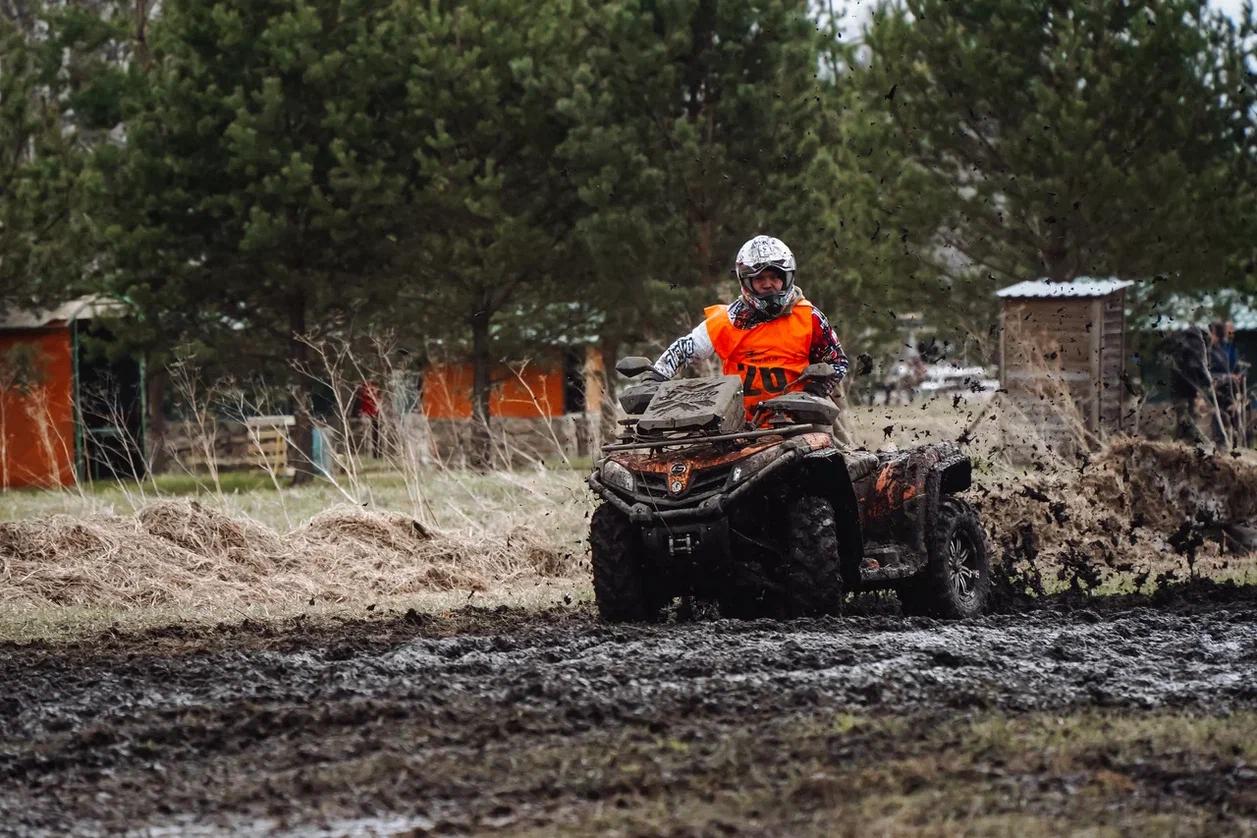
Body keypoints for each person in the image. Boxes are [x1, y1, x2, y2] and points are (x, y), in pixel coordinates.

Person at [648, 235, 849, 422]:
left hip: (797, 423)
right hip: (737, 428)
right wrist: (655, 378)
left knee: (829, 456)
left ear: (787, 277)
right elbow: (685, 348)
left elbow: (837, 361)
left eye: (774, 277)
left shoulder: (809, 316)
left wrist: (814, 392)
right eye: (759, 278)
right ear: (745, 281)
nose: (768, 284)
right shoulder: (727, 320)